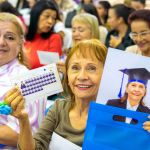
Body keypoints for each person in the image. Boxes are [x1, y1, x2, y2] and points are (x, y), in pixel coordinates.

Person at [4, 39, 107, 149]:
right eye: (75, 68)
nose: (81, 76)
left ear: (106, 74)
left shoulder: (113, 118)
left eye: (91, 68)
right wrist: (23, 119)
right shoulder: (58, 108)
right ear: (67, 76)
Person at [0, 13, 46, 149]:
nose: (1, 42)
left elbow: (25, 137)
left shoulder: (28, 80)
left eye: (9, 37)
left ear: (20, 45)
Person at [24, 0, 62, 69]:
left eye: (53, 18)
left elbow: (51, 69)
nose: (50, 21)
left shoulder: (54, 38)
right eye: (47, 16)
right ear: (36, 15)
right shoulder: (23, 37)